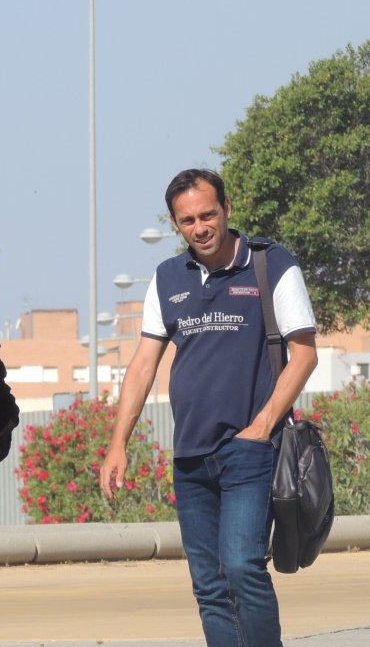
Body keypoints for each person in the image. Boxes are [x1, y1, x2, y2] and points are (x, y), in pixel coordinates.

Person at [99, 168, 318, 647]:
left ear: (227, 210)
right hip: (191, 455)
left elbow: (304, 354)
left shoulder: (271, 264)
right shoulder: (167, 278)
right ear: (176, 224)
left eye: (207, 214)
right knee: (210, 586)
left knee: (241, 566)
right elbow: (142, 365)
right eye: (187, 220)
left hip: (250, 450)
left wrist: (261, 427)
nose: (199, 227)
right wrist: (118, 444)